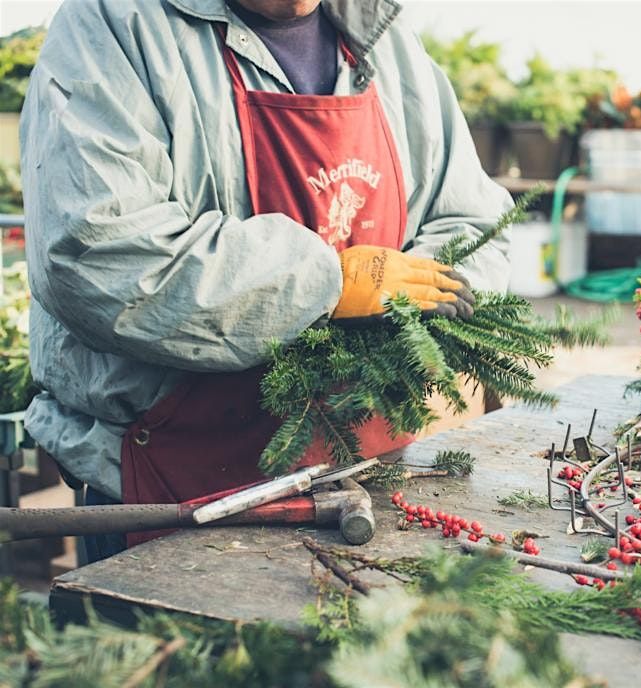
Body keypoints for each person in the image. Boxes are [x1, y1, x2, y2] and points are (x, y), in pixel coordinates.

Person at [19, 0, 513, 562]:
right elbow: (94, 253)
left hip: (372, 472)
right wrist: (326, 284)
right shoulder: (114, 23)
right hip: (173, 486)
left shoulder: (382, 33)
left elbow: (473, 220)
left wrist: (412, 311)